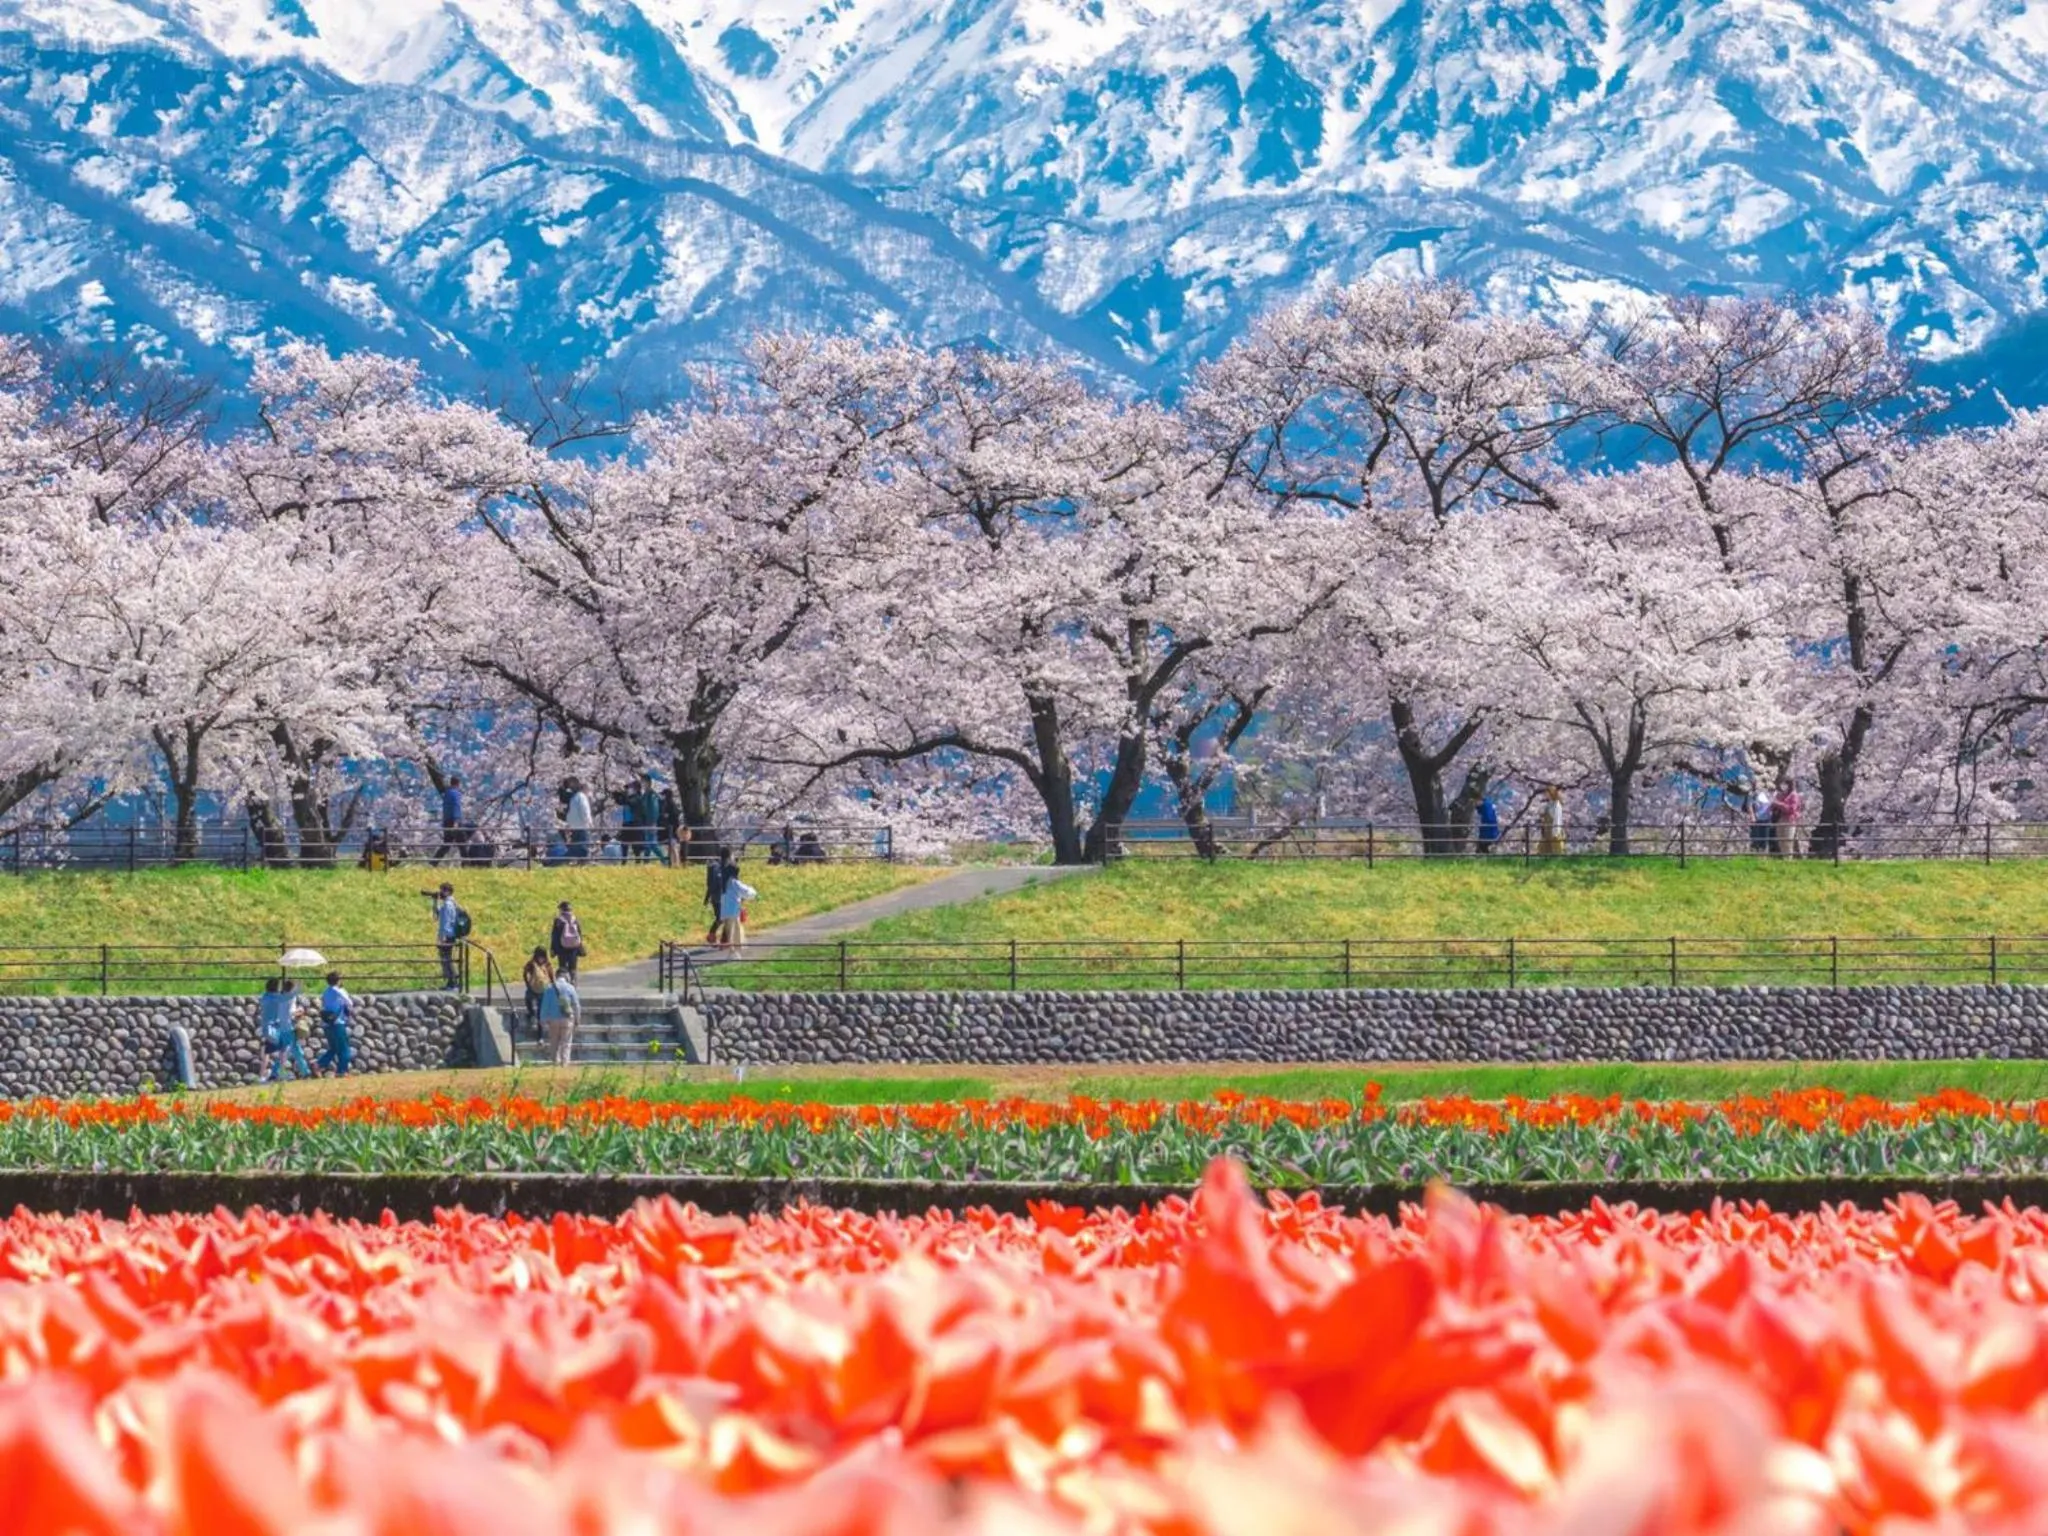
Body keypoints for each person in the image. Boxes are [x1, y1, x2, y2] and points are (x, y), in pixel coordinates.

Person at [259, 977, 312, 1082]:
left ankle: (267, 1075)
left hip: (269, 1028)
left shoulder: (265, 997)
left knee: (270, 1052)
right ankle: (284, 1074)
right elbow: (290, 1009)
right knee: (286, 1051)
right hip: (284, 1028)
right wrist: (299, 987)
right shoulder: (281, 998)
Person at [422, 881, 464, 989]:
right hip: (450, 935)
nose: (440, 892)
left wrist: (442, 938)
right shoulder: (450, 903)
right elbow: (436, 915)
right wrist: (435, 901)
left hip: (447, 936)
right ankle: (453, 982)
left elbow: (445, 921)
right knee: (447, 959)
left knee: (447, 960)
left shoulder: (448, 904)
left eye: (443, 890)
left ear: (449, 892)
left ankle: (453, 982)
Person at [315, 970, 354, 1077]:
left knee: (334, 1048)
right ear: (338, 980)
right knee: (344, 1048)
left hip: (327, 1023)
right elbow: (350, 1003)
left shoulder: (326, 991)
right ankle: (342, 1071)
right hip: (337, 1022)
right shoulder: (339, 990)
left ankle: (318, 1064)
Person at [541, 968, 582, 1067]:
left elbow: (544, 1005)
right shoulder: (570, 988)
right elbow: (576, 1005)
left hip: (553, 1019)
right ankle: (564, 1063)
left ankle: (555, 1062)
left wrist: (543, 1020)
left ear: (556, 976)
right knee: (566, 1042)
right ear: (566, 976)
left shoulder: (549, 988)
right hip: (567, 1018)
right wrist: (577, 1019)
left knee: (554, 1042)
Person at [718, 864, 757, 952]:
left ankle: (733, 951)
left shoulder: (724, 882)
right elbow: (745, 891)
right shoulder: (734, 882)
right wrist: (754, 892)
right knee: (736, 932)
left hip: (725, 911)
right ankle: (734, 953)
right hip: (733, 911)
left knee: (730, 932)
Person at [521, 946, 554, 1039]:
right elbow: (525, 973)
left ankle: (540, 1036)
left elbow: (552, 977)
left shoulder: (545, 965)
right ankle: (531, 1013)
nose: (541, 959)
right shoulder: (534, 964)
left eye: (542, 956)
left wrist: (528, 983)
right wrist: (528, 984)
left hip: (541, 990)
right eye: (540, 956)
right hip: (537, 989)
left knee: (540, 1014)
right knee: (528, 1001)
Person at [704, 847, 733, 944]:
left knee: (721, 918)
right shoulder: (724, 868)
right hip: (722, 897)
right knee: (726, 918)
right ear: (729, 856)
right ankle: (723, 940)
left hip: (716, 897)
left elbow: (710, 884)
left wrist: (707, 898)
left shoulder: (717, 867)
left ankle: (714, 936)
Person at [550, 900, 586, 977]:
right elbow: (579, 933)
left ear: (561, 909)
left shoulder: (558, 920)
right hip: (574, 947)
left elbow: (555, 936)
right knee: (573, 968)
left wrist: (553, 949)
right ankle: (573, 983)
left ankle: (564, 982)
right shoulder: (575, 919)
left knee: (562, 967)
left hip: (561, 947)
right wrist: (580, 946)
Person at [438, 775, 468, 864]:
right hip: (454, 822)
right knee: (463, 843)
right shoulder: (455, 793)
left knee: (446, 844)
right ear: (458, 784)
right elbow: (456, 807)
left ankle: (433, 862)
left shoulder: (447, 793)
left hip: (446, 821)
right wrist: (456, 821)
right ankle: (466, 863)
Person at [563, 779, 594, 863]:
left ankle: (576, 863)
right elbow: (584, 811)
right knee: (583, 847)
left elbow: (569, 813)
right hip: (582, 826)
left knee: (576, 846)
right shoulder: (582, 797)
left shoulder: (574, 797)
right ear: (585, 789)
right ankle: (583, 863)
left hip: (574, 826)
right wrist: (589, 822)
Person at [1772, 776, 1802, 857]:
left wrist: (1778, 804)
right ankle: (1784, 858)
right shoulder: (1784, 795)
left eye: (1784, 784)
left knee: (1788, 841)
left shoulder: (1794, 795)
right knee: (1781, 840)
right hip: (1781, 818)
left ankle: (1789, 859)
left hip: (1790, 820)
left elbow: (1792, 809)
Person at [1538, 786, 1566, 856]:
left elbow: (1557, 818)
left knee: (1555, 848)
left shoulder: (1556, 805)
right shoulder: (1549, 804)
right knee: (1544, 847)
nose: (1546, 795)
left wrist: (1556, 831)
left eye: (1547, 793)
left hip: (1553, 828)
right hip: (1547, 828)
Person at [657, 788, 681, 865]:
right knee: (671, 847)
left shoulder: (670, 804)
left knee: (673, 847)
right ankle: (672, 862)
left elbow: (673, 815)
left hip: (672, 828)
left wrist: (666, 816)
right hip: (672, 828)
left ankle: (676, 863)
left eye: (663, 794)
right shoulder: (669, 803)